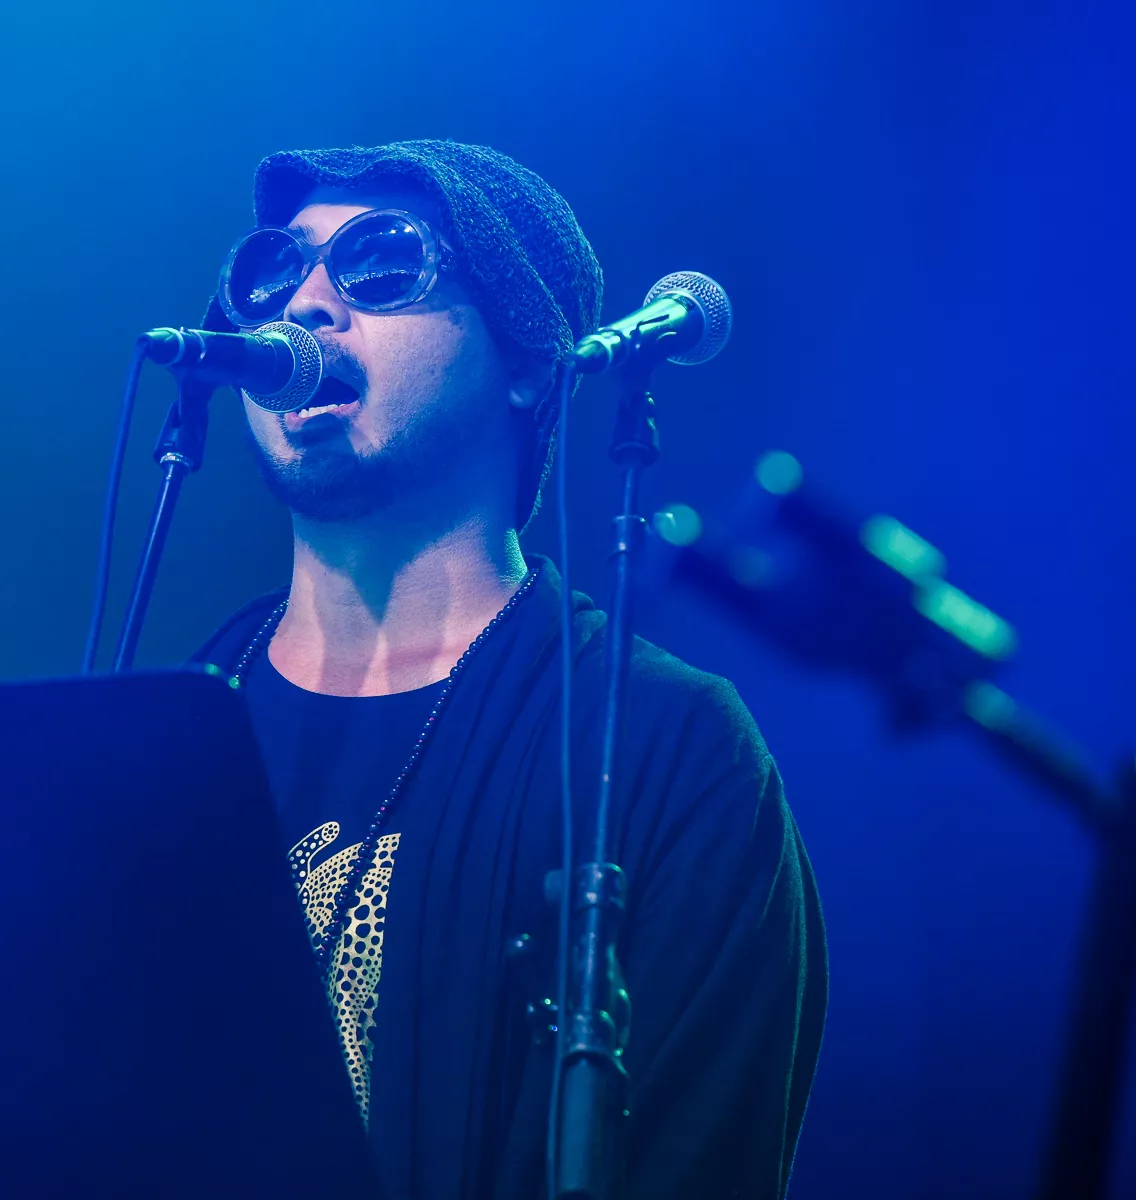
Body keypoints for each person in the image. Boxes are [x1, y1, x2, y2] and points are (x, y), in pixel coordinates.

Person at [190, 140, 826, 1200]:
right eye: (275, 270)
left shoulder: (667, 748)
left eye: (381, 264)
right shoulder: (171, 731)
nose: (304, 304)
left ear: (531, 362)